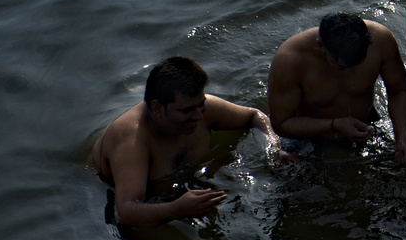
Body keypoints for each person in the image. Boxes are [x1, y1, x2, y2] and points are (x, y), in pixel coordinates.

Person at [89, 56, 273, 227]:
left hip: (187, 183)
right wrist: (177, 209)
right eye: (187, 111)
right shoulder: (132, 141)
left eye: (201, 105)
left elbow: (254, 115)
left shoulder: (203, 110)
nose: (198, 116)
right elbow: (126, 211)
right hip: (121, 197)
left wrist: (273, 148)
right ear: (157, 108)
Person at [267, 12, 406, 165]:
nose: (350, 72)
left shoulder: (381, 41)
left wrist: (402, 138)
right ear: (320, 46)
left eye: (358, 63)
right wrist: (335, 125)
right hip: (310, 139)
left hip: (367, 123)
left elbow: (399, 91)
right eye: (341, 67)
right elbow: (281, 123)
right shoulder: (290, 61)